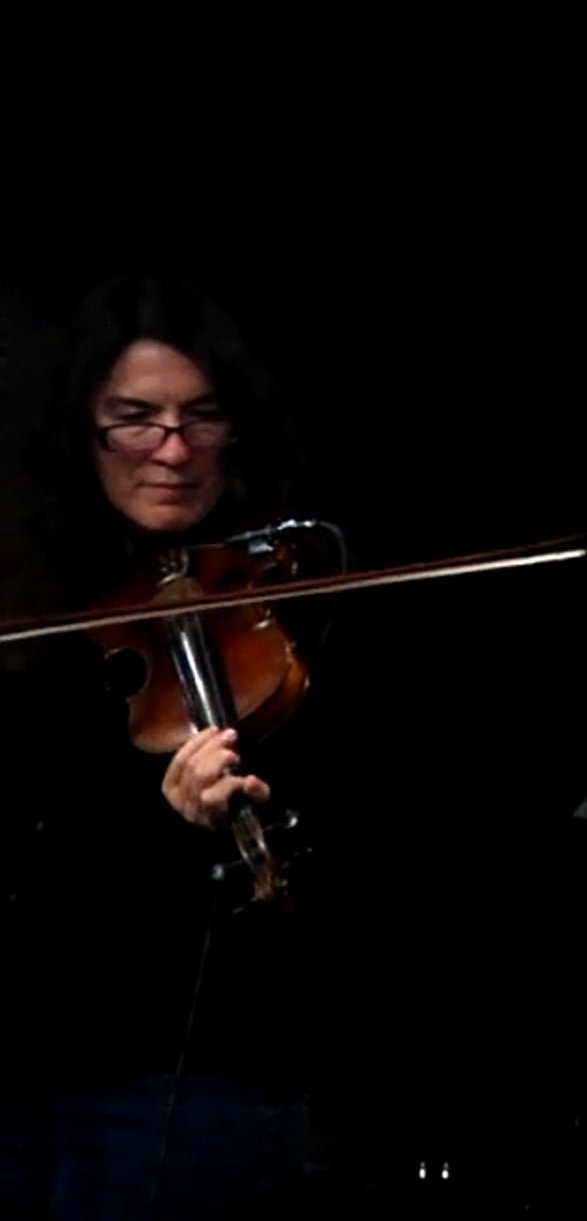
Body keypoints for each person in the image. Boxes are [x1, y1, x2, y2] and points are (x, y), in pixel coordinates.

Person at [0, 276, 329, 1220]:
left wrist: (201, 820)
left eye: (202, 417)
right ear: (85, 430)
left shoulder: (290, 597)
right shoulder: (35, 594)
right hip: (22, 1061)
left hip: (189, 1073)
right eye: (136, 419)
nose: (173, 451)